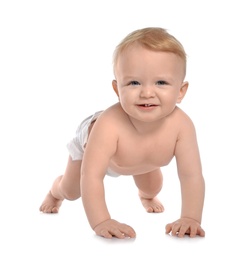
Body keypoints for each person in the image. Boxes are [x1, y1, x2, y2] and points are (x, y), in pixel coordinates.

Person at [39, 27, 205, 239]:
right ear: (118, 90)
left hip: (142, 158)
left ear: (180, 91)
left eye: (161, 82)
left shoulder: (182, 126)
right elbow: (91, 176)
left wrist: (191, 217)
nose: (146, 92)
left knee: (153, 186)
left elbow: (191, 175)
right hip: (96, 150)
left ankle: (145, 197)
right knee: (72, 190)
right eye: (134, 82)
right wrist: (102, 221)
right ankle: (54, 193)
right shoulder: (108, 125)